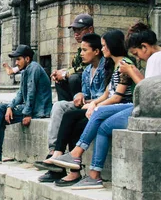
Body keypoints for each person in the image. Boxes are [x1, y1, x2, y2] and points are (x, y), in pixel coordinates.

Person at [54, 22, 161, 190]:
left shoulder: (156, 58)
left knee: (98, 114)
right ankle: (93, 174)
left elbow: (148, 92)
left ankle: (77, 155)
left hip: (153, 110)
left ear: (144, 46)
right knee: (104, 126)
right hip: (151, 107)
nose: (137, 58)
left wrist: (131, 71)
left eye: (137, 53)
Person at [50, 29, 140, 188]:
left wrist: (97, 106)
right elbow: (107, 92)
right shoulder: (115, 64)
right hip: (112, 105)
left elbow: (118, 96)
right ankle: (71, 163)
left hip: (121, 106)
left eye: (105, 46)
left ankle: (73, 156)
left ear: (112, 46)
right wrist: (94, 103)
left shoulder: (125, 64)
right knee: (73, 119)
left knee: (79, 118)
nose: (103, 48)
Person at [34, 33, 106, 185]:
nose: (81, 54)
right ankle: (53, 153)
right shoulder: (87, 71)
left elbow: (106, 96)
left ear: (96, 51)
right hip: (87, 105)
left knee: (72, 118)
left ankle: (69, 168)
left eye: (84, 50)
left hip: (99, 107)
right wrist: (80, 94)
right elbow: (86, 93)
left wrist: (89, 102)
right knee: (60, 106)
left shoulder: (106, 68)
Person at [0, 44, 52, 163]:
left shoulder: (34, 68)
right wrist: (10, 106)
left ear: (27, 59)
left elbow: (31, 93)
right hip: (30, 107)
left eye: (18, 59)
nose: (16, 63)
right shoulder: (25, 71)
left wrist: (27, 113)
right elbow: (20, 94)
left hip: (38, 109)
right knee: (1, 114)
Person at [51, 13, 94, 101]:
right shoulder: (80, 50)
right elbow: (76, 67)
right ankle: (65, 106)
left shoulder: (96, 46)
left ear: (90, 29)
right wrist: (62, 72)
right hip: (84, 81)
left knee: (74, 78)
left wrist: (65, 74)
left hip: (94, 83)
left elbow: (87, 68)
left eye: (79, 30)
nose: (76, 34)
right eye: (74, 30)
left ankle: (79, 104)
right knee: (60, 80)